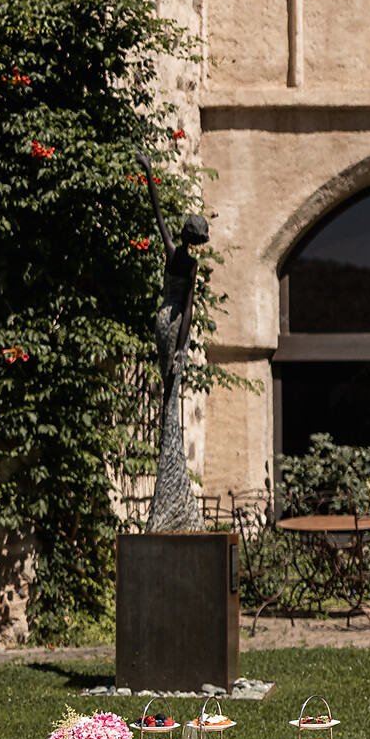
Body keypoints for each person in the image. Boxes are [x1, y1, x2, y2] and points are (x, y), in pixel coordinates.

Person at [135, 152, 208, 532]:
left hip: (159, 318)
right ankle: (172, 487)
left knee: (168, 393)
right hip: (174, 323)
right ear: (196, 240)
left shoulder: (169, 251)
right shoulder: (192, 266)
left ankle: (170, 484)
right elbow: (188, 308)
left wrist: (148, 172)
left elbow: (157, 213)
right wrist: (182, 348)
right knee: (170, 394)